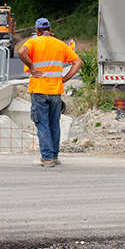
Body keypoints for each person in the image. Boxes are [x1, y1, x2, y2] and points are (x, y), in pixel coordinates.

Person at [17, 17, 82, 167]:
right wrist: (64, 79)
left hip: (39, 90)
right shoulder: (60, 44)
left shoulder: (33, 42)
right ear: (50, 30)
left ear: (36, 31)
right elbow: (78, 62)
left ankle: (46, 158)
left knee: (42, 124)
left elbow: (21, 52)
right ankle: (54, 156)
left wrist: (32, 67)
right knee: (54, 124)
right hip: (56, 91)